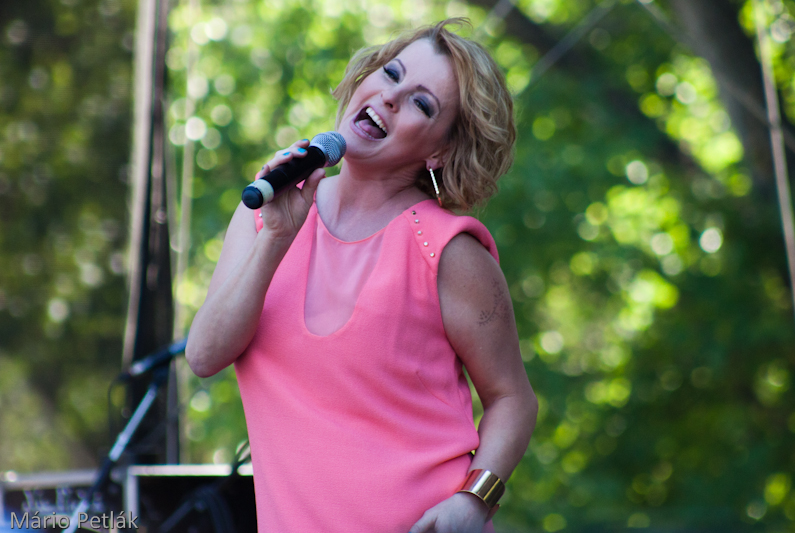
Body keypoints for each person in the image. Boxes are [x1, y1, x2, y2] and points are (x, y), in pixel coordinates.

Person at [185, 18, 538, 533]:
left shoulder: (448, 252)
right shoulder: (266, 212)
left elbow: (512, 399)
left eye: (421, 104)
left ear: (439, 151)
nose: (391, 96)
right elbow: (204, 356)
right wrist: (277, 238)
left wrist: (475, 500)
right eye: (391, 73)